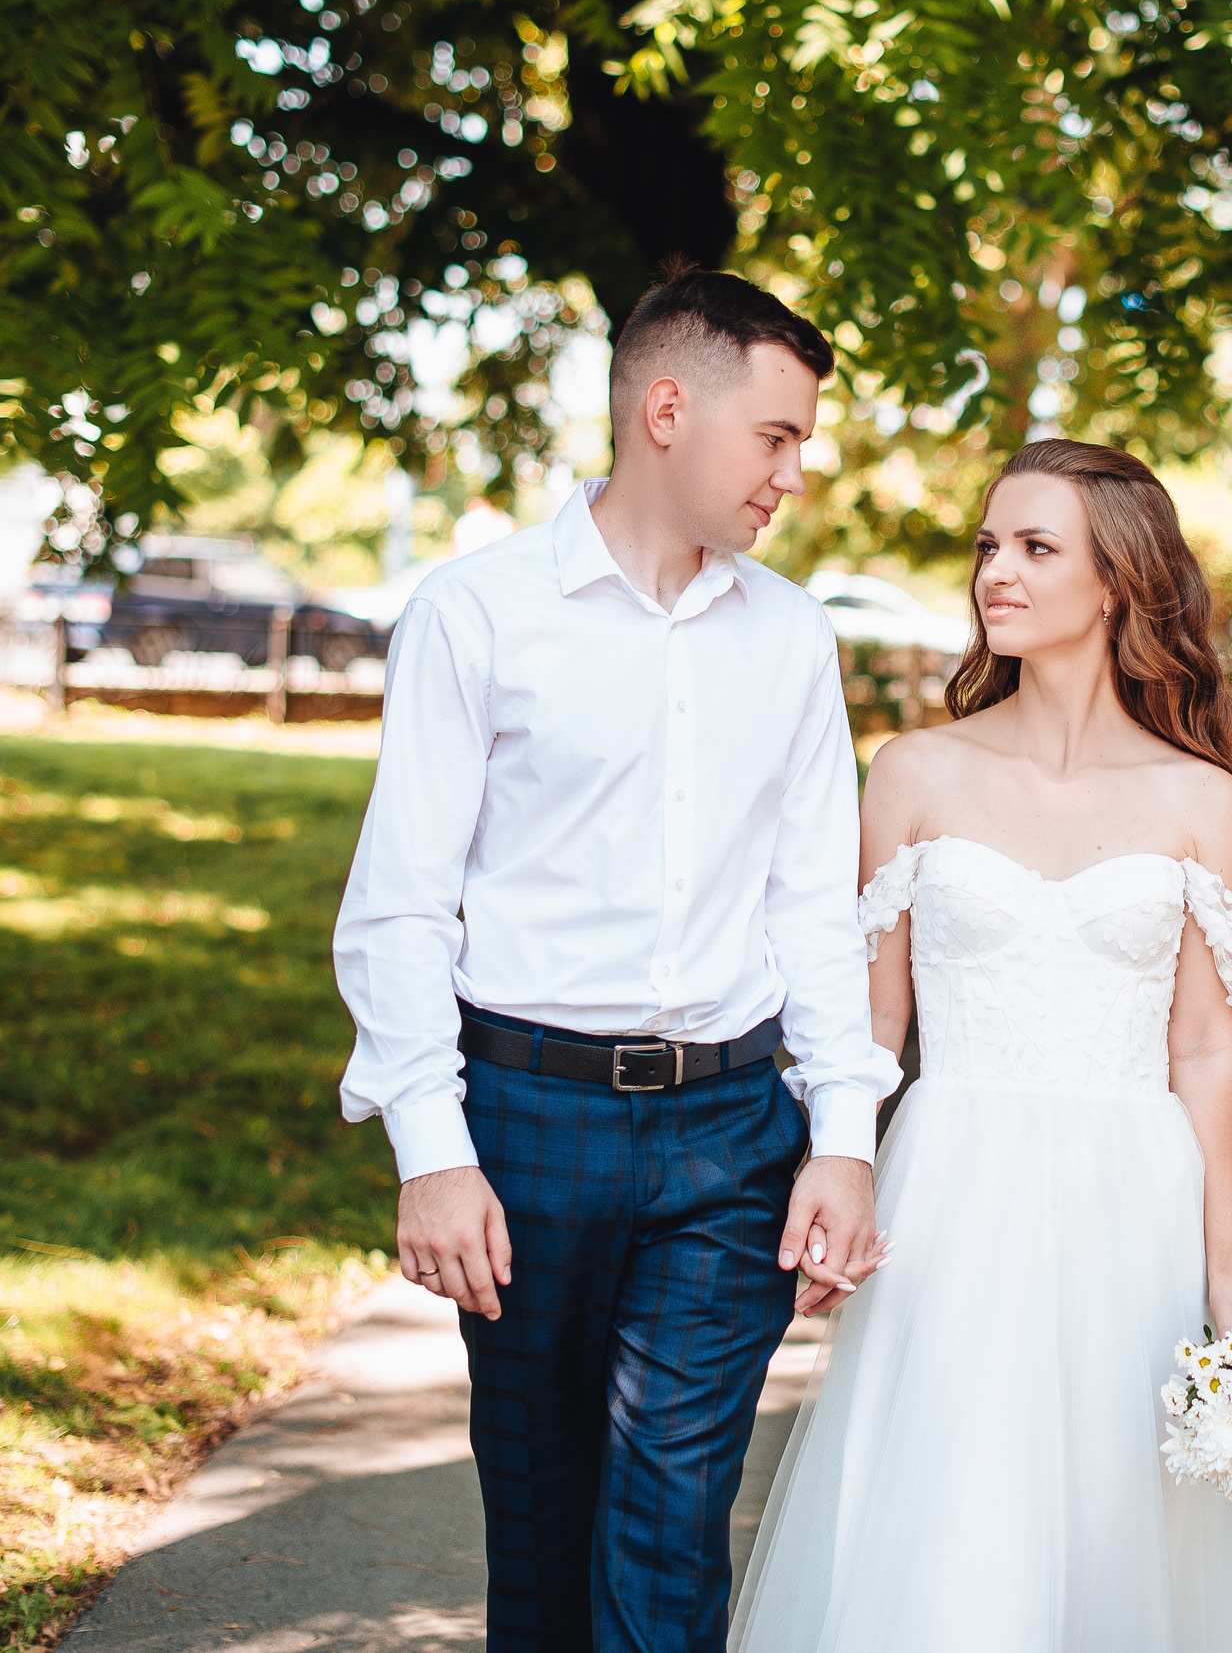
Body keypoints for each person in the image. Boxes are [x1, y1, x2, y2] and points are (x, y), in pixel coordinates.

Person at [331, 267, 900, 1653]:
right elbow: (400, 905)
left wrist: (843, 1135)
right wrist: (433, 1148)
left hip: (729, 1137)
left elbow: (816, 903)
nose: (793, 474)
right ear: (667, 409)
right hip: (529, 1126)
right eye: (777, 436)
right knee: (541, 1529)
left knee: (669, 1532)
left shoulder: (791, 633)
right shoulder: (476, 613)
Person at [732, 439, 1232, 1652]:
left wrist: (1225, 1263)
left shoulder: (1201, 798)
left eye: (1036, 548)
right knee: (950, 1516)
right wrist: (842, 1169)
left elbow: (1201, 1048)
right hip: (953, 1187)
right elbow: (869, 1018)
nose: (996, 573)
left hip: (1132, 1199)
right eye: (989, 545)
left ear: (1120, 581)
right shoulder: (917, 771)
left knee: (1112, 1522)